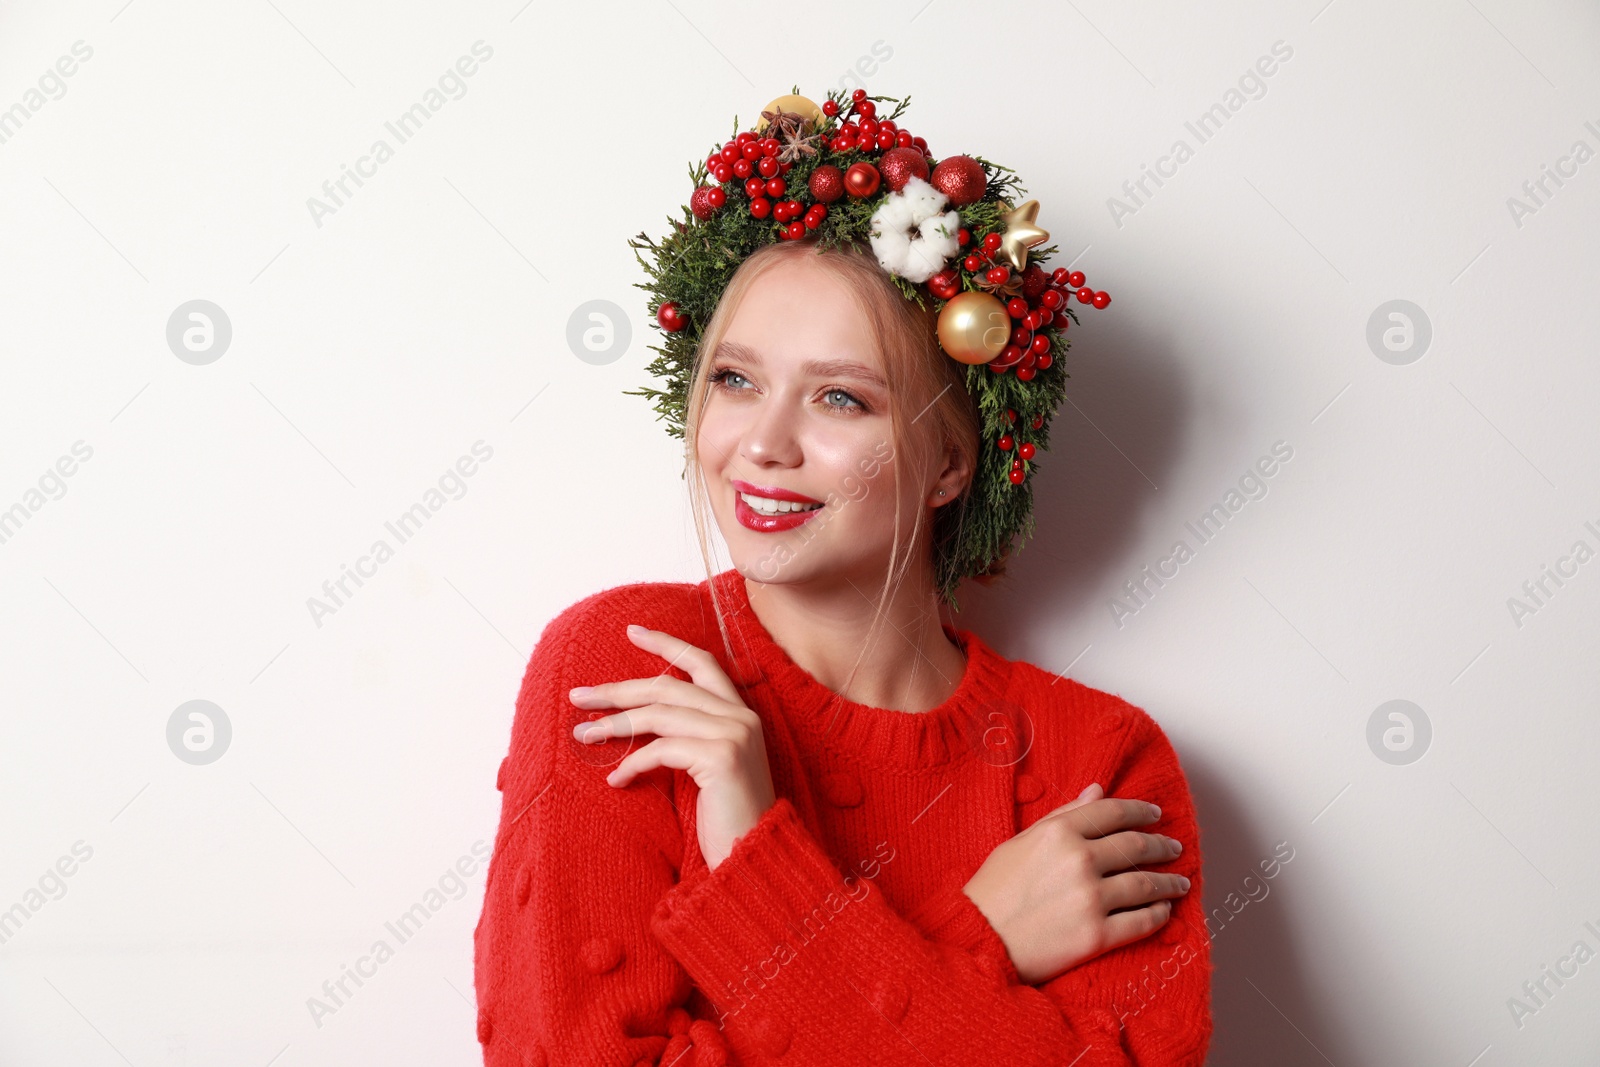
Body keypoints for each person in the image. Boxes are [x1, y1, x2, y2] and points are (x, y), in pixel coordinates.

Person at [475, 91, 1212, 1066]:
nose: (762, 445)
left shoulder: (1097, 760)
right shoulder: (638, 671)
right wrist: (976, 937)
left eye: (839, 397)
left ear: (951, 462)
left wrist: (752, 865)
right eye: (735, 379)